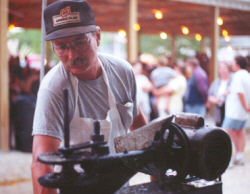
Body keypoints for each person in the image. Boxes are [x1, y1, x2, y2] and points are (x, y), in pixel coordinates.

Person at [31, 1, 147, 193]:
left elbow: (140, 129)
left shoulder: (122, 72)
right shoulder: (53, 89)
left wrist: (156, 179)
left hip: (120, 187)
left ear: (97, 36)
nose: (71, 55)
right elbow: (41, 163)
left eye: (79, 42)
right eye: (61, 46)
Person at [222, 55, 250, 165]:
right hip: (243, 113)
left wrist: (245, 106)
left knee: (224, 133)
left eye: (233, 63)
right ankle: (239, 156)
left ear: (237, 64)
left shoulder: (237, 76)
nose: (232, 65)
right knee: (239, 132)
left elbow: (240, 93)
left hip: (235, 111)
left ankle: (227, 160)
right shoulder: (247, 75)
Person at [208, 62, 232, 127]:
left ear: (228, 70)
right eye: (220, 69)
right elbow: (210, 95)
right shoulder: (216, 82)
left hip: (229, 109)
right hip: (218, 110)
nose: (222, 71)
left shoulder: (233, 81)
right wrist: (216, 100)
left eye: (224, 69)